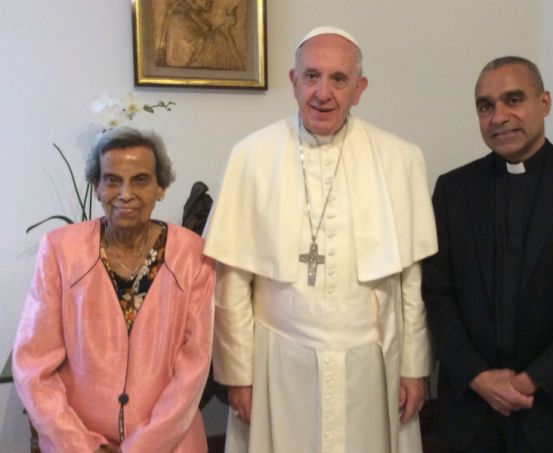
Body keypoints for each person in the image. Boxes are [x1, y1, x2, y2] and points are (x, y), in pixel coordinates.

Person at [203, 26, 437, 453]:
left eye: (338, 79)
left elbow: (410, 281)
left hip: (371, 363)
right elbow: (233, 278)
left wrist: (414, 367)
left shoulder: (400, 159)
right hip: (279, 360)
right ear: (294, 82)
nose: (323, 93)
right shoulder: (251, 156)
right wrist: (238, 374)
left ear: (359, 88)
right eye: (312, 76)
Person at [422, 56, 553, 453]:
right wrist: (479, 377)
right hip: (472, 407)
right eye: (486, 106)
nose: (499, 116)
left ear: (544, 102)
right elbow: (437, 293)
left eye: (513, 99)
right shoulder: (452, 190)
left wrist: (529, 381)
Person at [13, 127, 215, 453]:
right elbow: (33, 366)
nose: (125, 193)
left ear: (160, 187)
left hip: (170, 444)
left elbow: (193, 369)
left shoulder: (193, 255)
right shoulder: (60, 250)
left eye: (140, 179)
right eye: (111, 180)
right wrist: (81, 445)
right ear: (96, 187)